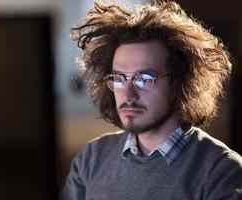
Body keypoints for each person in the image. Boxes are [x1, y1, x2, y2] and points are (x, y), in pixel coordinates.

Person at [63, 1, 242, 199]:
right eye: (118, 78)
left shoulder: (222, 172)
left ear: (180, 83)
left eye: (144, 79)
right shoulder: (91, 159)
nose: (128, 95)